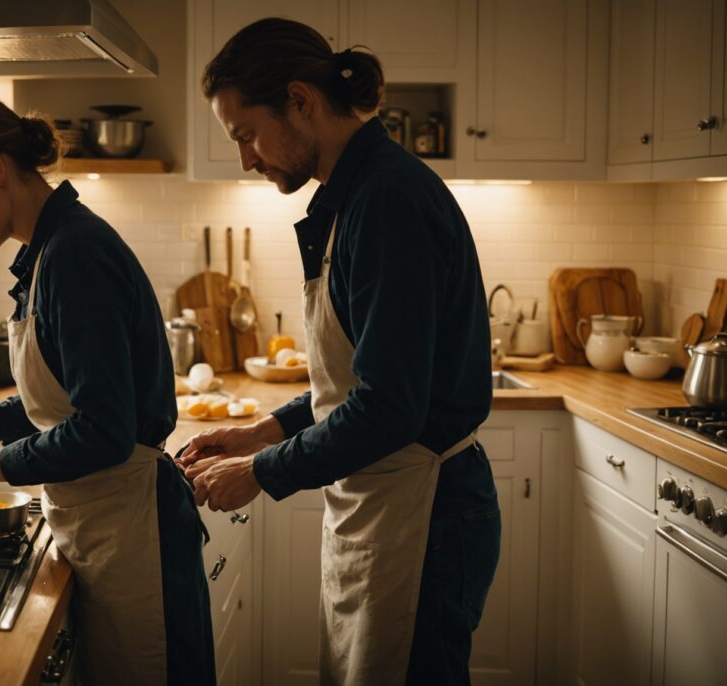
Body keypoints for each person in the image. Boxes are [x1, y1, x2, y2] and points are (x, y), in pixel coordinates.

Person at [180, 18, 501, 686]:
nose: (245, 158)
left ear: (300, 100)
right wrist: (261, 433)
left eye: (246, 134)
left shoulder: (386, 200)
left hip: (429, 513)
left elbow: (388, 407)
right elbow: (354, 379)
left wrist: (261, 472)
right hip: (391, 503)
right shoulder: (351, 196)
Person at [0, 92, 215, 685]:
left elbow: (103, 430)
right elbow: (63, 398)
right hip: (109, 523)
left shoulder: (75, 255)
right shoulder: (49, 250)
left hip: (135, 530)